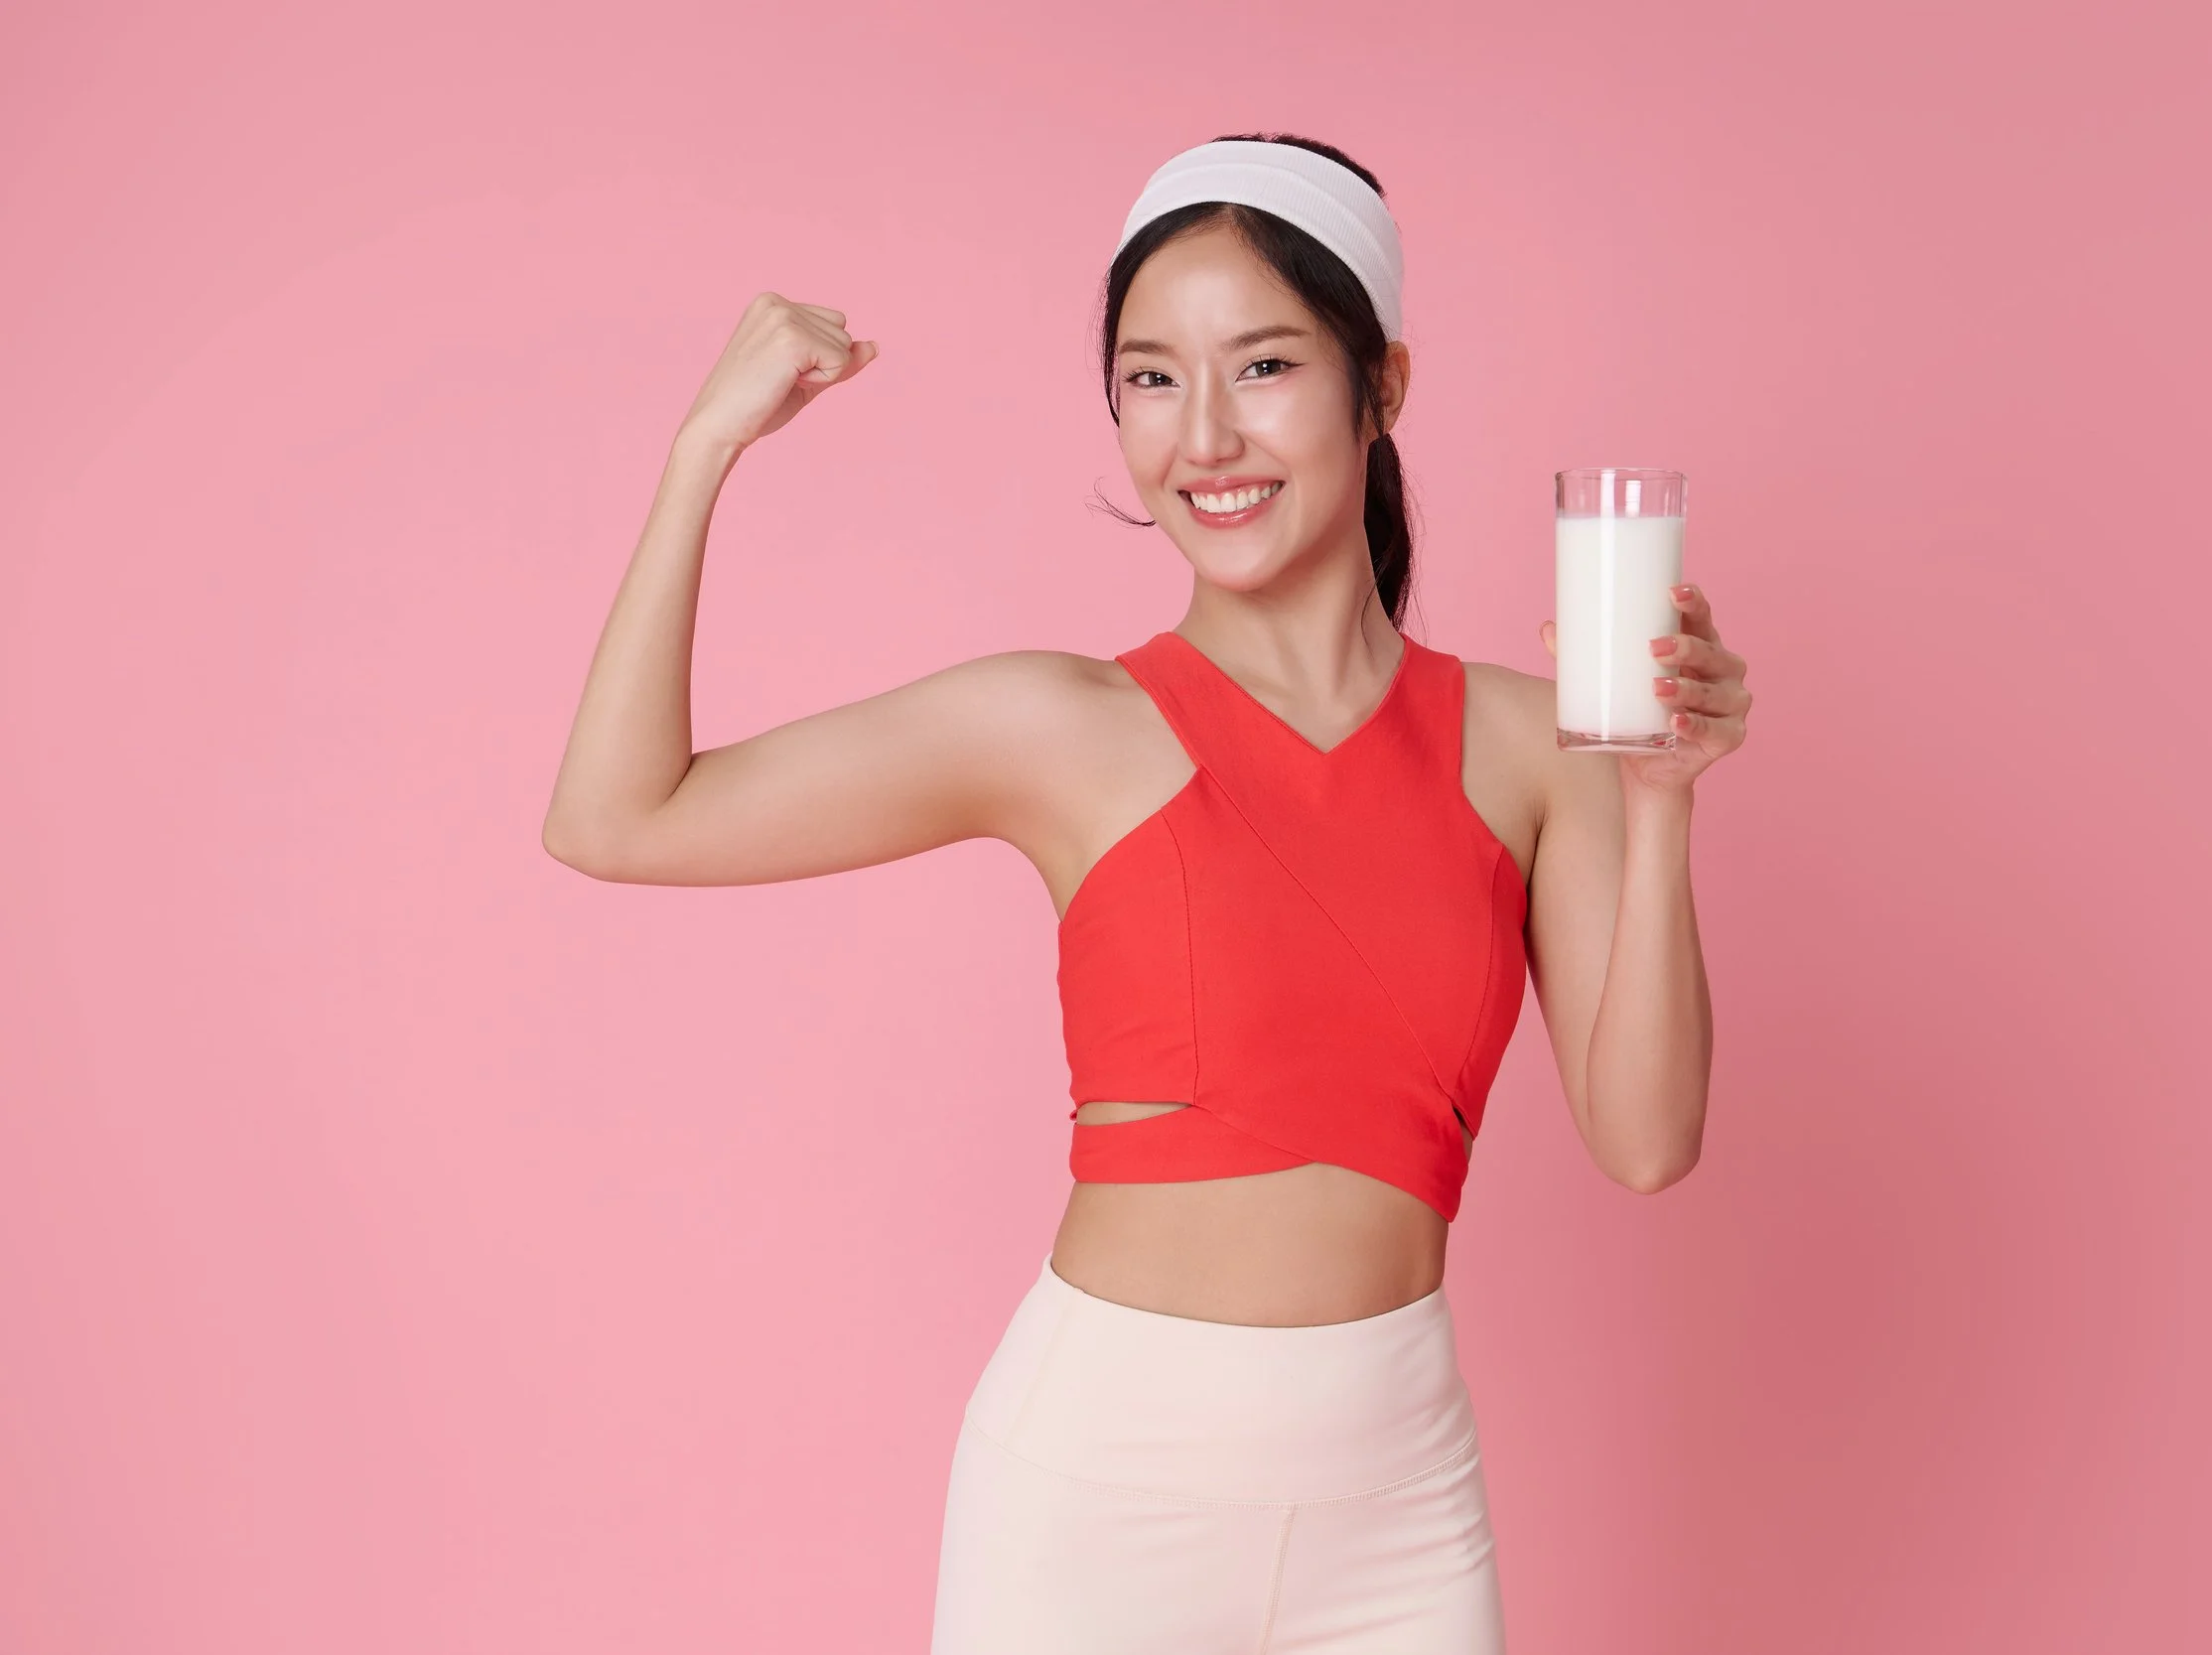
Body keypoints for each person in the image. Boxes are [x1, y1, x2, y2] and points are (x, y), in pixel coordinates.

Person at [542, 131, 1752, 1654]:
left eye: (1261, 367)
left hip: (1398, 1510)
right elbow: (614, 815)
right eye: (1150, 378)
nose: (1204, 440)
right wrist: (701, 449)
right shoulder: (1063, 726)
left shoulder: (1537, 741)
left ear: (1382, 386)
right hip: (1097, 1502)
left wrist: (1660, 801)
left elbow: (1647, 1142)